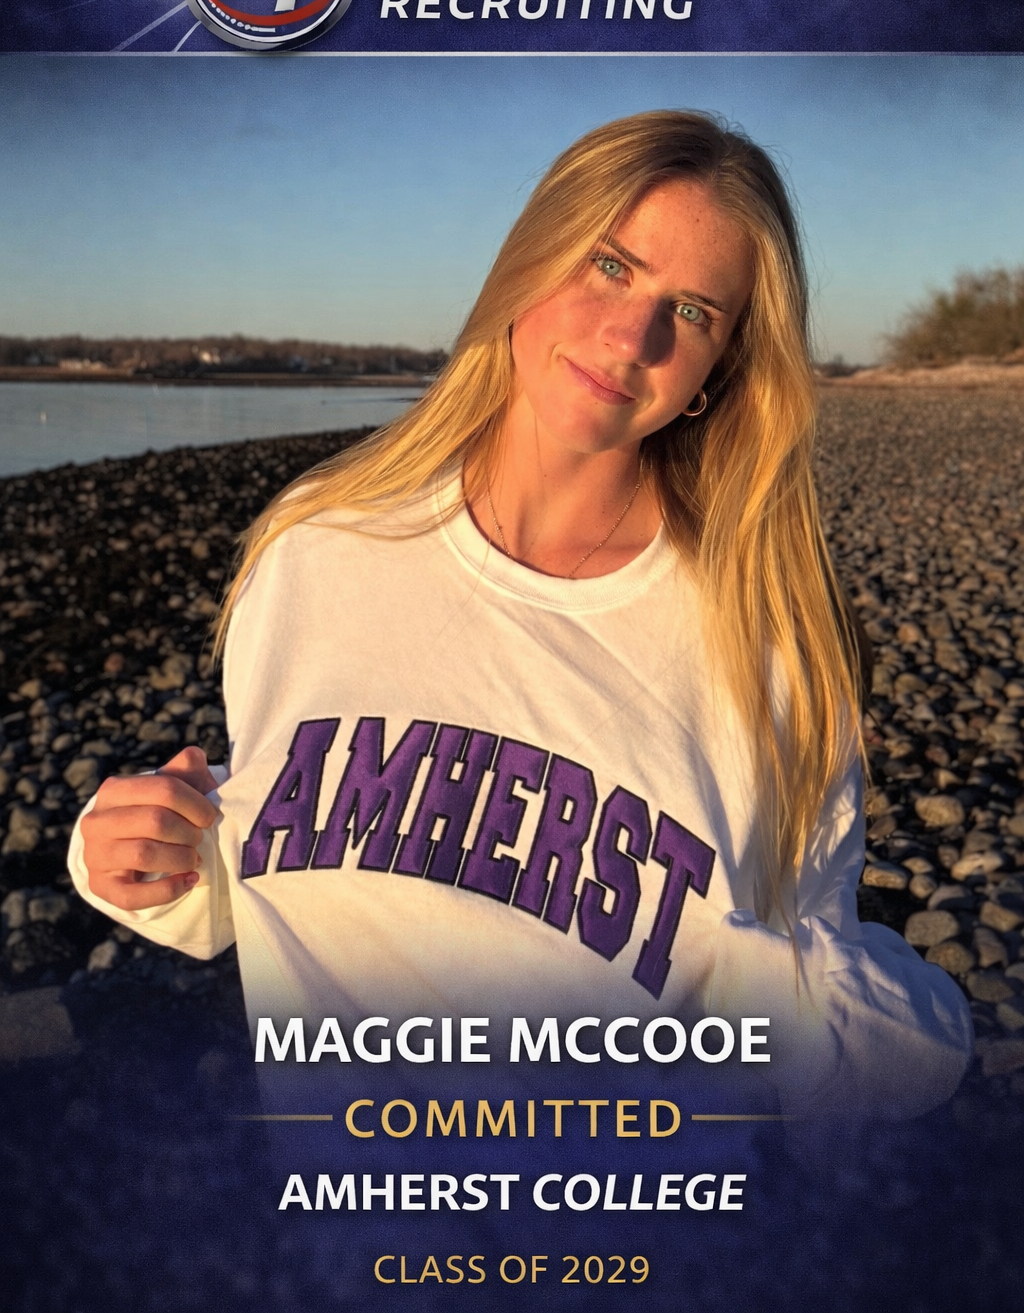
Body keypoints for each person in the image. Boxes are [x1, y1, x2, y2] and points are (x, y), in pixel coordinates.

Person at [68, 111, 971, 1119]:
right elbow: (303, 853)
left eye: (694, 309)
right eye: (610, 267)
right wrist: (152, 858)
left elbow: (847, 1055)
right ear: (528, 261)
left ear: (723, 366)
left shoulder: (770, 646)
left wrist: (767, 996)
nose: (631, 337)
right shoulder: (315, 546)